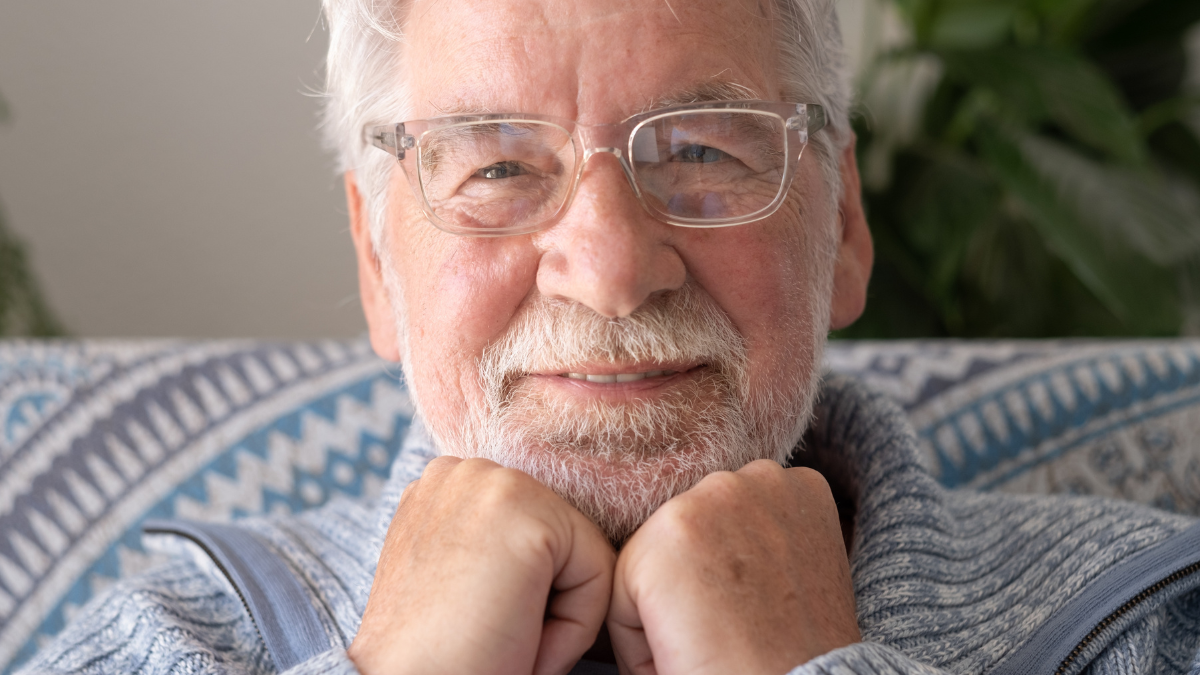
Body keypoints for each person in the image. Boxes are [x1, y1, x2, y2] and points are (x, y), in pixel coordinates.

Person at [17, 0, 1200, 673]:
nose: (614, 268)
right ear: (378, 260)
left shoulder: (1151, 625)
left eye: (700, 150)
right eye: (496, 166)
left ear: (841, 223)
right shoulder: (170, 639)